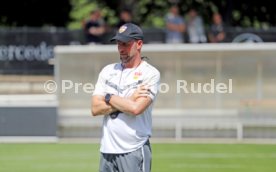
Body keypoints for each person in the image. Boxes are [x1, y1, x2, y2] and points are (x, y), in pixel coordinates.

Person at [91, 23, 160, 172]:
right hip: (107, 151)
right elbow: (95, 108)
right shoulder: (107, 71)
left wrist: (108, 97)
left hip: (134, 150)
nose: (121, 49)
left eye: (126, 44)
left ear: (139, 44)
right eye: (118, 44)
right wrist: (128, 99)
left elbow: (136, 109)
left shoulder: (150, 74)